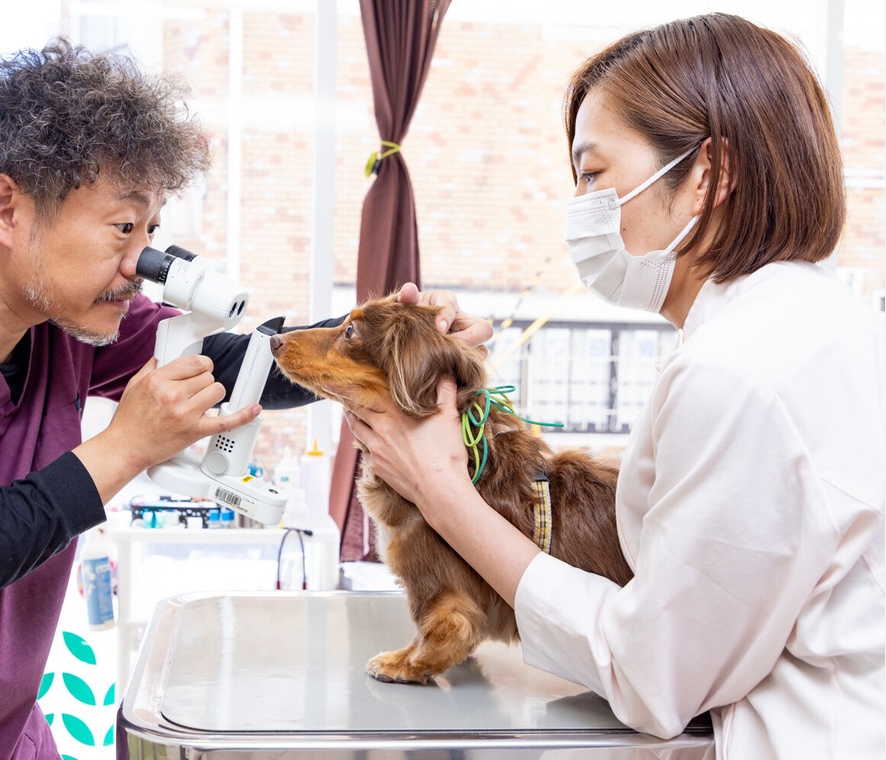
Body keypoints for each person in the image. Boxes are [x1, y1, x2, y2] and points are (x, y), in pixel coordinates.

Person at [0, 40, 490, 758]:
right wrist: (126, 446)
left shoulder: (63, 310)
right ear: (8, 209)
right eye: (123, 227)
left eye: (153, 229)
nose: (142, 262)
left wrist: (385, 337)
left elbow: (233, 362)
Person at [345, 13, 884, 760]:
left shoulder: (739, 373)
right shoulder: (813, 323)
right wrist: (465, 393)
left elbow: (652, 675)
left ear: (709, 174)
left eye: (595, 175)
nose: (581, 209)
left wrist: (443, 492)